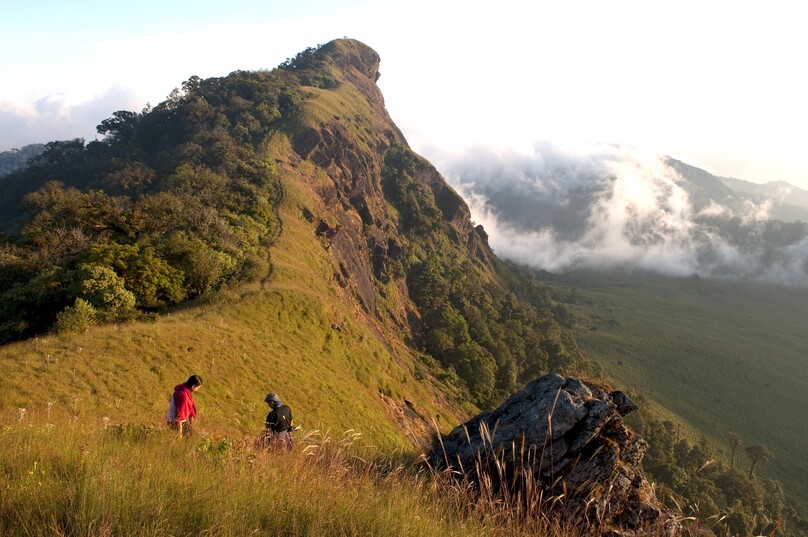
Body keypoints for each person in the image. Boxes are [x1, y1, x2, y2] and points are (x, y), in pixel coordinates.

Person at [166, 374, 202, 439]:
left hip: (171, 418)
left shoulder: (181, 389)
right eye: (197, 388)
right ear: (193, 386)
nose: (197, 390)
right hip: (174, 421)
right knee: (190, 437)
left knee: (191, 434)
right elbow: (179, 416)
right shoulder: (183, 396)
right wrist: (180, 433)